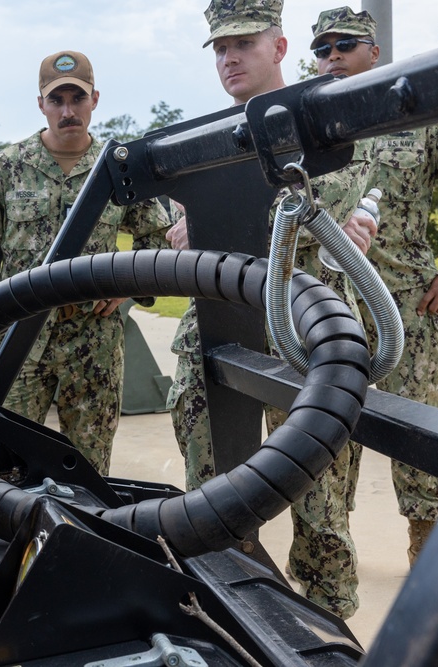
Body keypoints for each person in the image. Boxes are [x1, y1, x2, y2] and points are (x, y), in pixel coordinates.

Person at [166, 0, 375, 619]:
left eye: (244, 45)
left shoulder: (327, 124)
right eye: (221, 49)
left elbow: (341, 206)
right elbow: (173, 229)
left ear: (279, 48)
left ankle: (330, 638)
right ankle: (240, 626)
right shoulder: (200, 139)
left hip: (311, 341)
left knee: (322, 514)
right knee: (211, 506)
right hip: (216, 331)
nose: (230, 58)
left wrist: (210, 223)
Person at [0, 50, 172, 475]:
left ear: (95, 99)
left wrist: (126, 284)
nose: (67, 110)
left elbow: (158, 243)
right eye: (56, 100)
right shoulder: (5, 170)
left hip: (92, 345)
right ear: (41, 105)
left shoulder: (119, 169)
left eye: (77, 98)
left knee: (88, 471)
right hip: (18, 345)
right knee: (7, 467)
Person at [310, 6, 438, 567]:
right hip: (333, 307)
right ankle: (333, 571)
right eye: (323, 49)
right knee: (331, 443)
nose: (333, 56)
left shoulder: (416, 117)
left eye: (345, 44)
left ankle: (428, 567)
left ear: (374, 52)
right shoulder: (311, 125)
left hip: (409, 303)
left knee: (418, 443)